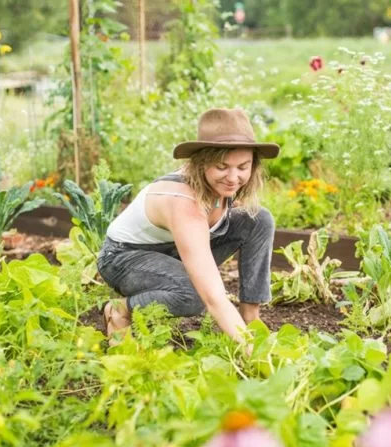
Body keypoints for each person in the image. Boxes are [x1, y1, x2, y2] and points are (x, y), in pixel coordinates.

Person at [97, 108, 280, 345]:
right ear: (201, 163)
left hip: (174, 250)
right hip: (124, 257)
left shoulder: (221, 187)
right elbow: (213, 297)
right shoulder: (182, 201)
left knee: (258, 219)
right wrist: (249, 349)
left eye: (243, 167)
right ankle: (120, 310)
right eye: (222, 167)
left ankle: (250, 318)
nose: (233, 177)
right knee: (194, 295)